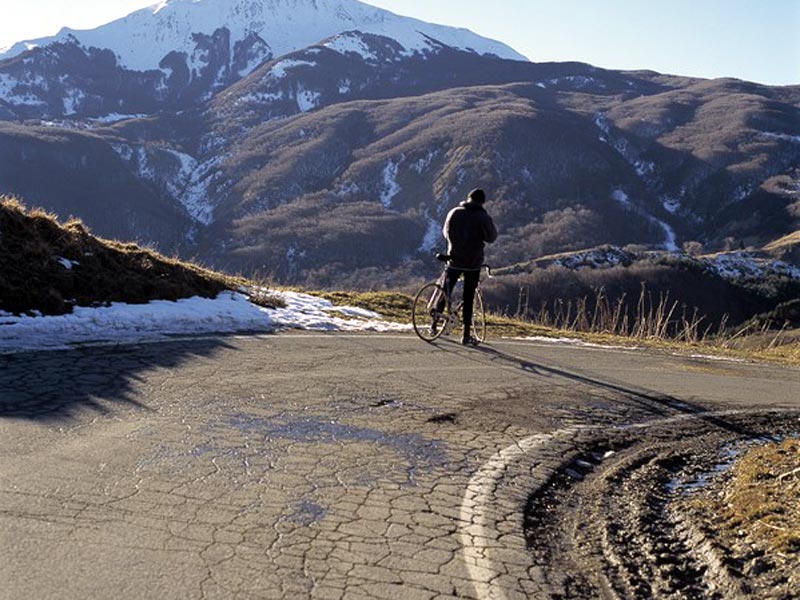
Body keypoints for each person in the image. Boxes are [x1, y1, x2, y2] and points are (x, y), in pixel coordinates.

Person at [437, 188, 498, 345]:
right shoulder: (483, 217)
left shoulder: (454, 212)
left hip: (454, 259)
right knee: (468, 297)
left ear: (468, 198)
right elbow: (491, 237)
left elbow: (446, 232)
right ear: (482, 202)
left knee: (446, 290)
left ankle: (434, 324)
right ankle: (465, 335)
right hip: (472, 262)